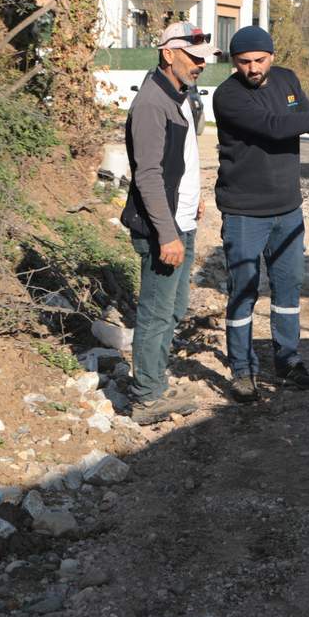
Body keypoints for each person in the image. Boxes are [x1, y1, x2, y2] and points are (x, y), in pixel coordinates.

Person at [212, 25, 309, 401]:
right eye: (244, 62)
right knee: (243, 292)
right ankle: (243, 370)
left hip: (287, 209)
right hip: (244, 212)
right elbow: (276, 128)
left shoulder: (287, 80)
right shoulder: (227, 96)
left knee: (288, 288)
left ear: (272, 56)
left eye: (259, 60)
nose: (253, 68)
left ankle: (289, 361)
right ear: (234, 62)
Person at [119, 22, 222, 425]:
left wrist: (191, 201)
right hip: (163, 229)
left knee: (175, 307)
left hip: (181, 221)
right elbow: (146, 175)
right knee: (157, 312)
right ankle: (146, 397)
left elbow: (177, 163)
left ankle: (155, 383)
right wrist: (166, 234)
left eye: (203, 59)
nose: (201, 65)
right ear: (168, 54)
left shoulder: (179, 95)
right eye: (194, 58)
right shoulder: (150, 104)